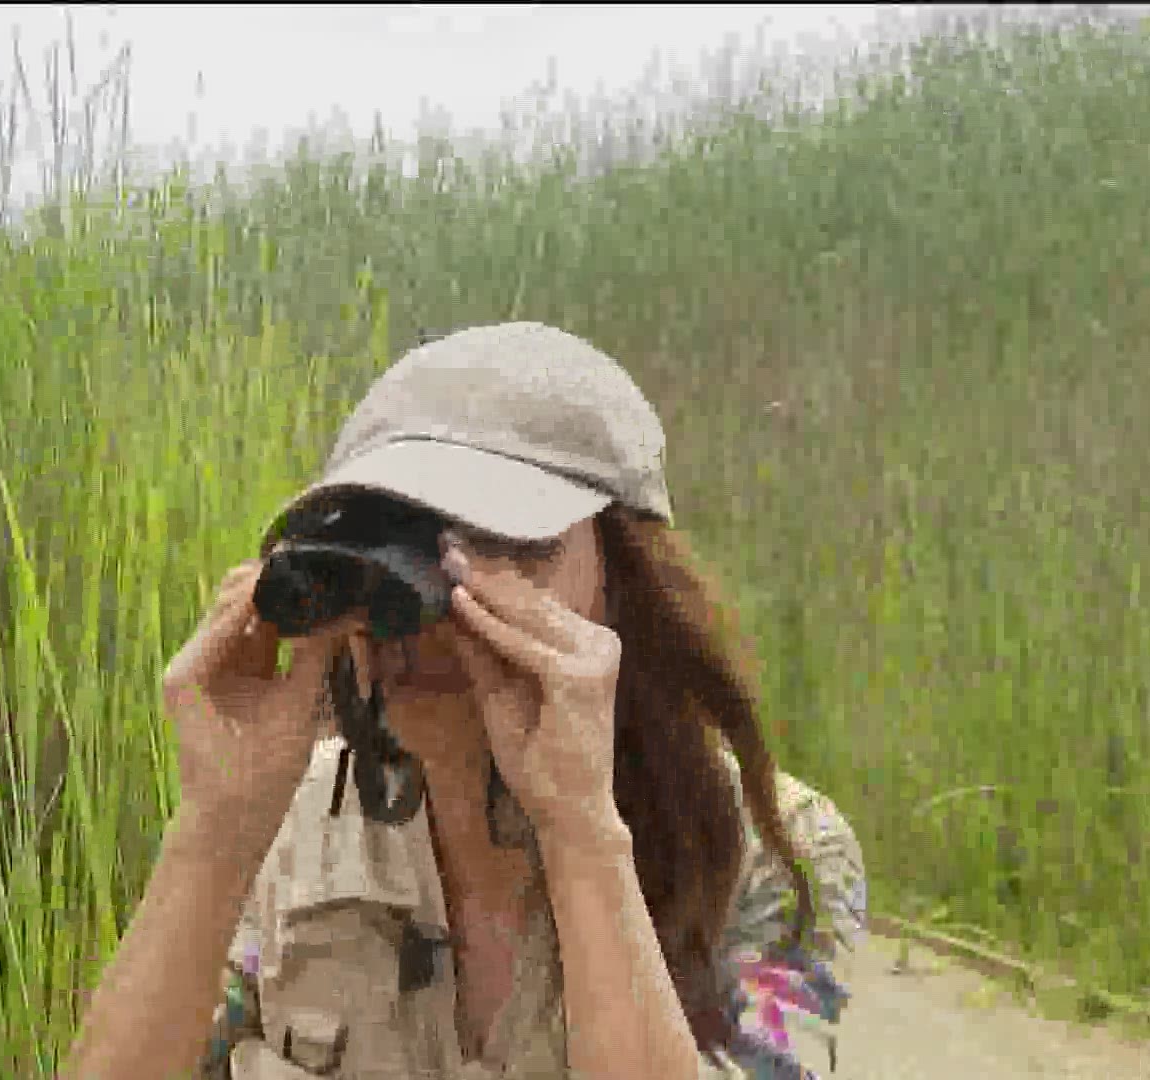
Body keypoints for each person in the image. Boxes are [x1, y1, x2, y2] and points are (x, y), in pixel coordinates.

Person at [63, 322, 867, 1080]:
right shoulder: (289, 840)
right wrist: (216, 832)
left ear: (625, 583)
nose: (438, 614)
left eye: (506, 547)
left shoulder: (774, 859)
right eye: (397, 551)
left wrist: (582, 832)